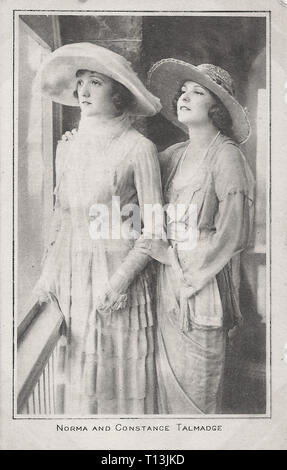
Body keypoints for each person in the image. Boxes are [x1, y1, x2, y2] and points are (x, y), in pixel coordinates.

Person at [33, 42, 164, 414]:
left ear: (118, 94)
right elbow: (62, 219)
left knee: (117, 383)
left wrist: (119, 282)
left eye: (95, 82)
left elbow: (153, 230)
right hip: (74, 279)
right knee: (79, 384)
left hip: (116, 279)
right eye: (80, 83)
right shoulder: (69, 147)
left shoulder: (139, 148)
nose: (83, 92)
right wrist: (47, 276)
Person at [148, 60, 255, 414]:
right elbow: (130, 174)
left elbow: (234, 232)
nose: (185, 97)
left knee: (198, 392)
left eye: (197, 92)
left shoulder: (227, 156)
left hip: (203, 285)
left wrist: (188, 275)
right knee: (166, 387)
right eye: (183, 91)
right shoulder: (174, 155)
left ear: (217, 107)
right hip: (168, 281)